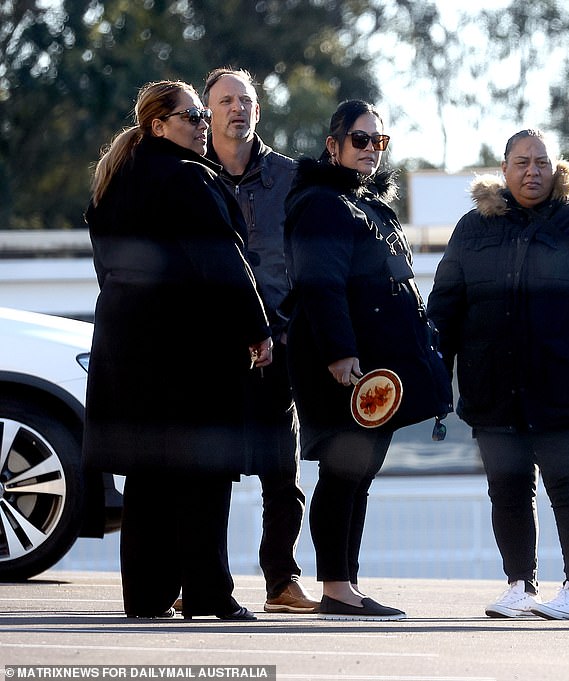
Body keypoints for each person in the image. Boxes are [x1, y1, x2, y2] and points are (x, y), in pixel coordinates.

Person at [426, 129, 569, 620]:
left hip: (568, 384)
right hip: (493, 385)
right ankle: (519, 586)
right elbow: (446, 306)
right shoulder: (473, 228)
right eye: (521, 162)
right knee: (507, 487)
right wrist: (442, 371)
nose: (532, 171)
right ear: (504, 170)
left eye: (541, 162)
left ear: (555, 167)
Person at [83, 80, 273, 621]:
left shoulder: (113, 182)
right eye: (190, 116)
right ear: (158, 125)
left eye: (198, 116)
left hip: (128, 351)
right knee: (202, 476)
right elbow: (222, 263)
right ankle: (209, 593)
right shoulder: (188, 178)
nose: (200, 125)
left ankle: (144, 597)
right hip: (188, 352)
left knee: (147, 479)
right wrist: (256, 330)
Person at [283, 99, 423, 620]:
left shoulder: (366, 204)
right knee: (343, 474)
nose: (370, 150)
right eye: (360, 140)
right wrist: (342, 354)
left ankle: (347, 582)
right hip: (341, 366)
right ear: (334, 144)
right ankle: (337, 587)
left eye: (378, 142)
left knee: (358, 473)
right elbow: (320, 284)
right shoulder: (322, 202)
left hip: (374, 367)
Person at [201, 67, 319, 614]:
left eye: (245, 100)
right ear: (208, 112)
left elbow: (311, 259)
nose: (237, 109)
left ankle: (281, 581)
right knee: (209, 472)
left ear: (258, 111)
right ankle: (203, 581)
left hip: (279, 341)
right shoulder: (190, 176)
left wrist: (291, 326)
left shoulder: (292, 179)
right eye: (225, 101)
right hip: (213, 348)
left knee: (282, 472)